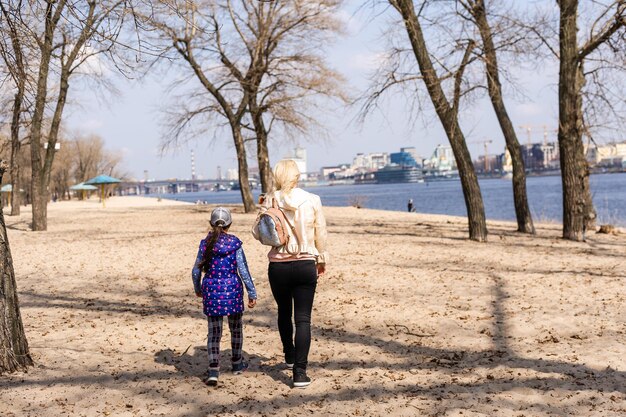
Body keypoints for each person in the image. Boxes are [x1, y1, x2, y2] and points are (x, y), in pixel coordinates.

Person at [252, 159, 328, 388]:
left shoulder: (270, 199)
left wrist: (262, 210)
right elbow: (320, 232)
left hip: (279, 265)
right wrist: (321, 258)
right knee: (303, 319)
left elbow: (257, 233)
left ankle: (289, 355)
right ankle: (300, 373)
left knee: (284, 312)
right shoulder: (313, 199)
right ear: (297, 176)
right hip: (306, 263)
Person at [191, 207, 257, 387]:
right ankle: (236, 364)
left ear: (211, 224)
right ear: (230, 224)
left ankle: (213, 371)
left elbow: (196, 271)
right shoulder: (235, 243)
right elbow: (243, 270)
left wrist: (197, 288)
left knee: (214, 333)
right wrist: (251, 292)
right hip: (233, 292)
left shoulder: (205, 244)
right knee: (236, 329)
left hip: (211, 292)